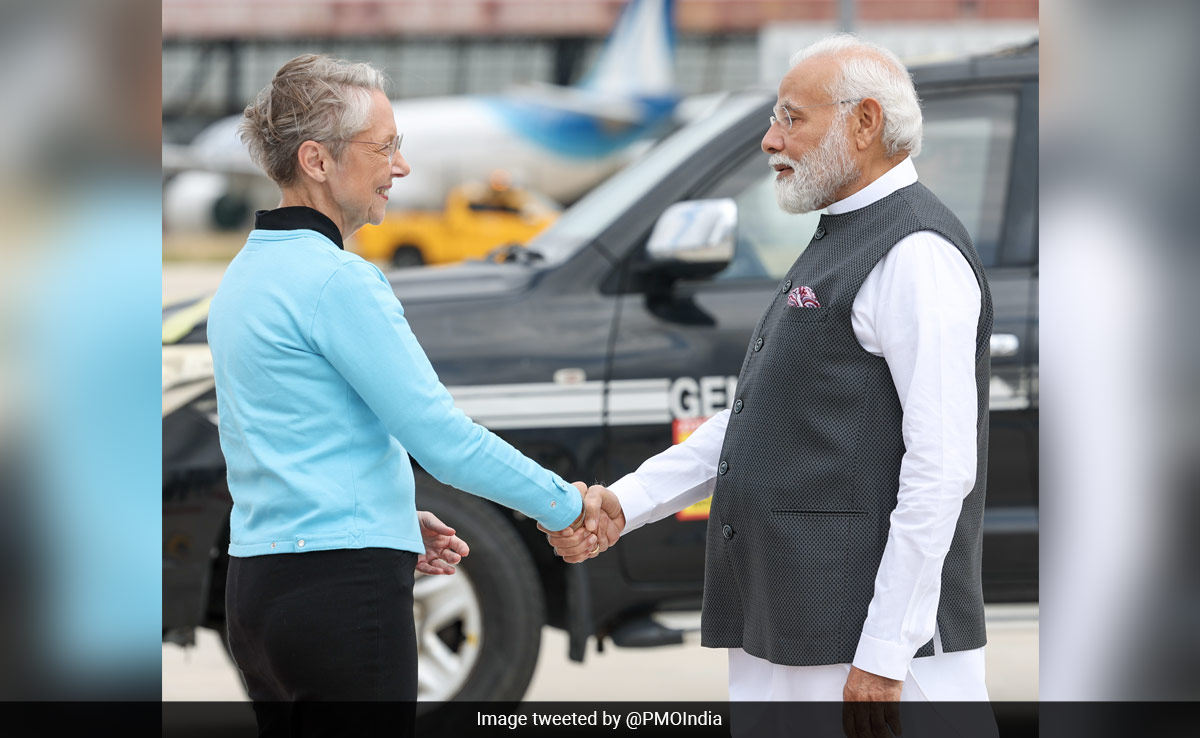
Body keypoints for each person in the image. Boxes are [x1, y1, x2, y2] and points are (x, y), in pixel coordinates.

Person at [548, 34, 998, 735]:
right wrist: (624, 504)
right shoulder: (844, 234)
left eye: (791, 117)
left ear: (864, 122)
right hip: (789, 620)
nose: (769, 140)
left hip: (863, 643)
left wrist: (885, 651)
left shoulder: (917, 254)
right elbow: (757, 425)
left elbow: (941, 471)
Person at [208, 55, 599, 732]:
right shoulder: (340, 283)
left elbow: (284, 439)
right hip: (340, 599)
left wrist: (387, 520)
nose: (402, 165)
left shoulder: (244, 277)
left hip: (260, 594)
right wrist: (567, 506)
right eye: (384, 147)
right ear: (317, 160)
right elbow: (443, 440)